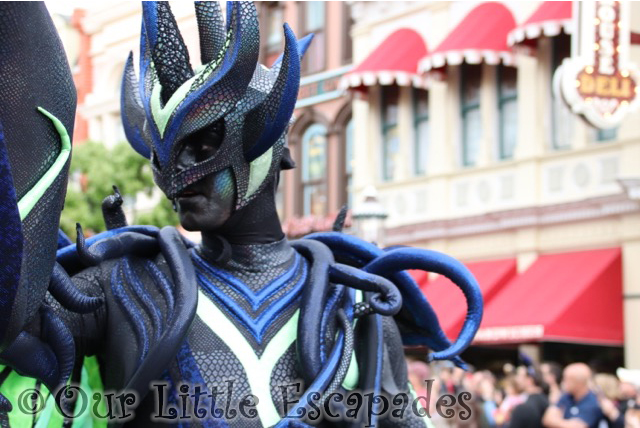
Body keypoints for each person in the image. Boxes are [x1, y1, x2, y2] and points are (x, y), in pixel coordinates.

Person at [0, 2, 485, 427]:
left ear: (279, 150)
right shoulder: (125, 286)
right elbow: (15, 324)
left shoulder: (352, 305)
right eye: (164, 159)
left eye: (204, 147)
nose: (177, 178)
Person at [542, 363, 623, 428]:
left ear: (577, 382)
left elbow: (579, 426)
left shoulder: (593, 401)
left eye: (566, 379)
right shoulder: (567, 396)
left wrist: (557, 420)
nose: (563, 382)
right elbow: (547, 419)